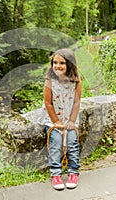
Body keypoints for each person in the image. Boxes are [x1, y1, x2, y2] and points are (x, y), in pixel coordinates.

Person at [42, 48, 81, 190]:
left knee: (72, 143)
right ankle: (56, 174)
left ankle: (73, 172)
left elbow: (77, 102)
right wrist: (56, 122)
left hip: (70, 120)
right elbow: (48, 103)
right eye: (55, 62)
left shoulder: (75, 80)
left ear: (69, 65)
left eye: (62, 63)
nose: (57, 66)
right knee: (56, 143)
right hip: (53, 120)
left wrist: (71, 121)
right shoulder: (50, 81)